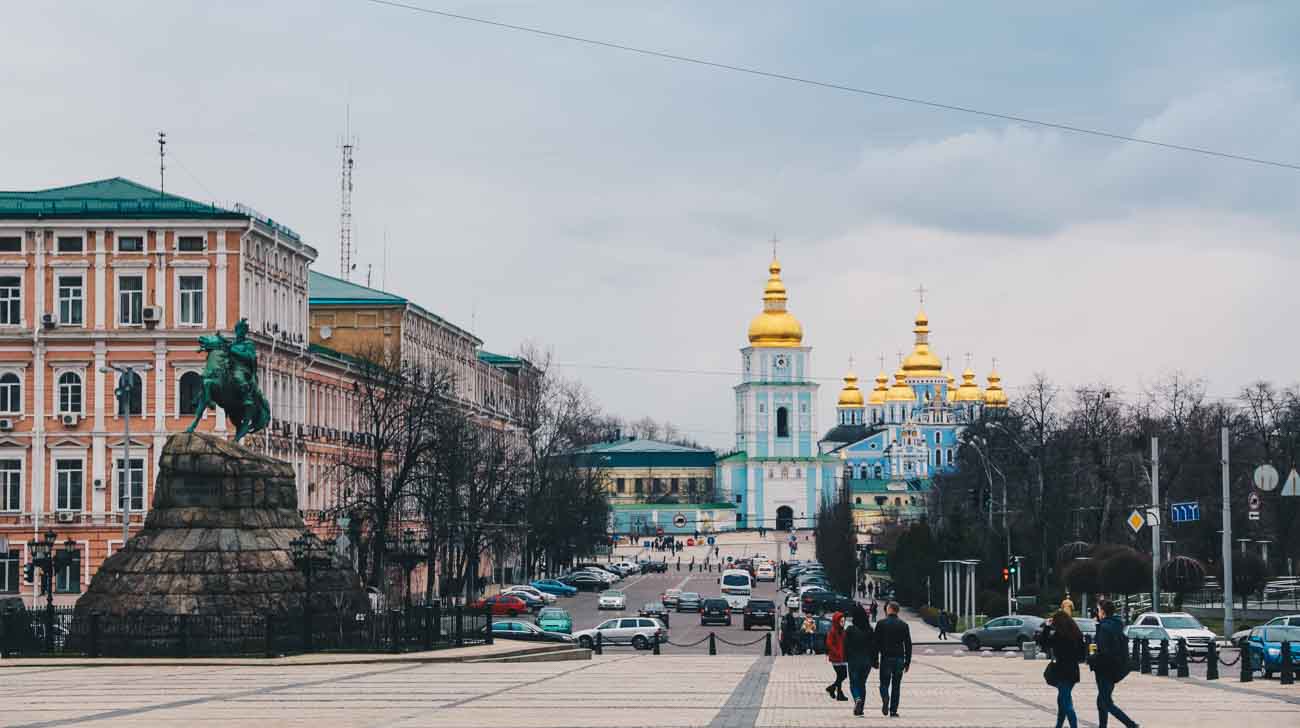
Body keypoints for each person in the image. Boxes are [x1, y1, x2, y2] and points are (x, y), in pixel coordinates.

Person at [1089, 599, 1138, 728]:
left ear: (1103, 612)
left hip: (1105, 669)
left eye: (1098, 610)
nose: (1097, 613)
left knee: (1106, 703)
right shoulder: (1116, 625)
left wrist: (1092, 658)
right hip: (1115, 668)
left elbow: (1104, 651)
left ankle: (1131, 725)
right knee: (1101, 701)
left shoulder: (1104, 627)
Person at [1039, 610, 1086, 728]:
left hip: (1061, 670)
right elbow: (1082, 656)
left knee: (1066, 703)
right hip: (1073, 671)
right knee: (1062, 700)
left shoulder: (1059, 635)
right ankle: (1058, 725)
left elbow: (1043, 643)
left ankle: (1073, 726)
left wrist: (1047, 627)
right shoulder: (1077, 634)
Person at [874, 601, 912, 717]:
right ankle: (893, 711)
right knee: (896, 685)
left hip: (886, 658)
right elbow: (908, 644)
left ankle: (885, 696)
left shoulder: (881, 624)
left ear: (889, 609)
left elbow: (876, 643)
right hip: (899, 658)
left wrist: (875, 659)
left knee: (884, 683)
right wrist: (907, 661)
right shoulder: (903, 625)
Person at [843, 604, 876, 716]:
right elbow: (874, 647)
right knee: (862, 684)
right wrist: (875, 661)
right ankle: (860, 709)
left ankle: (857, 699)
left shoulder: (850, 630)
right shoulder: (870, 630)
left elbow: (845, 645)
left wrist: (845, 658)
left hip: (854, 660)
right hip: (867, 661)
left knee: (853, 683)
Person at [824, 612, 849, 701]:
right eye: (841, 621)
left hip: (843, 657)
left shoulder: (843, 631)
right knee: (841, 675)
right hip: (836, 658)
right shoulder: (833, 631)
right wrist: (837, 652)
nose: (843, 623)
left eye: (844, 621)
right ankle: (838, 692)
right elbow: (829, 644)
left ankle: (833, 689)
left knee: (843, 675)